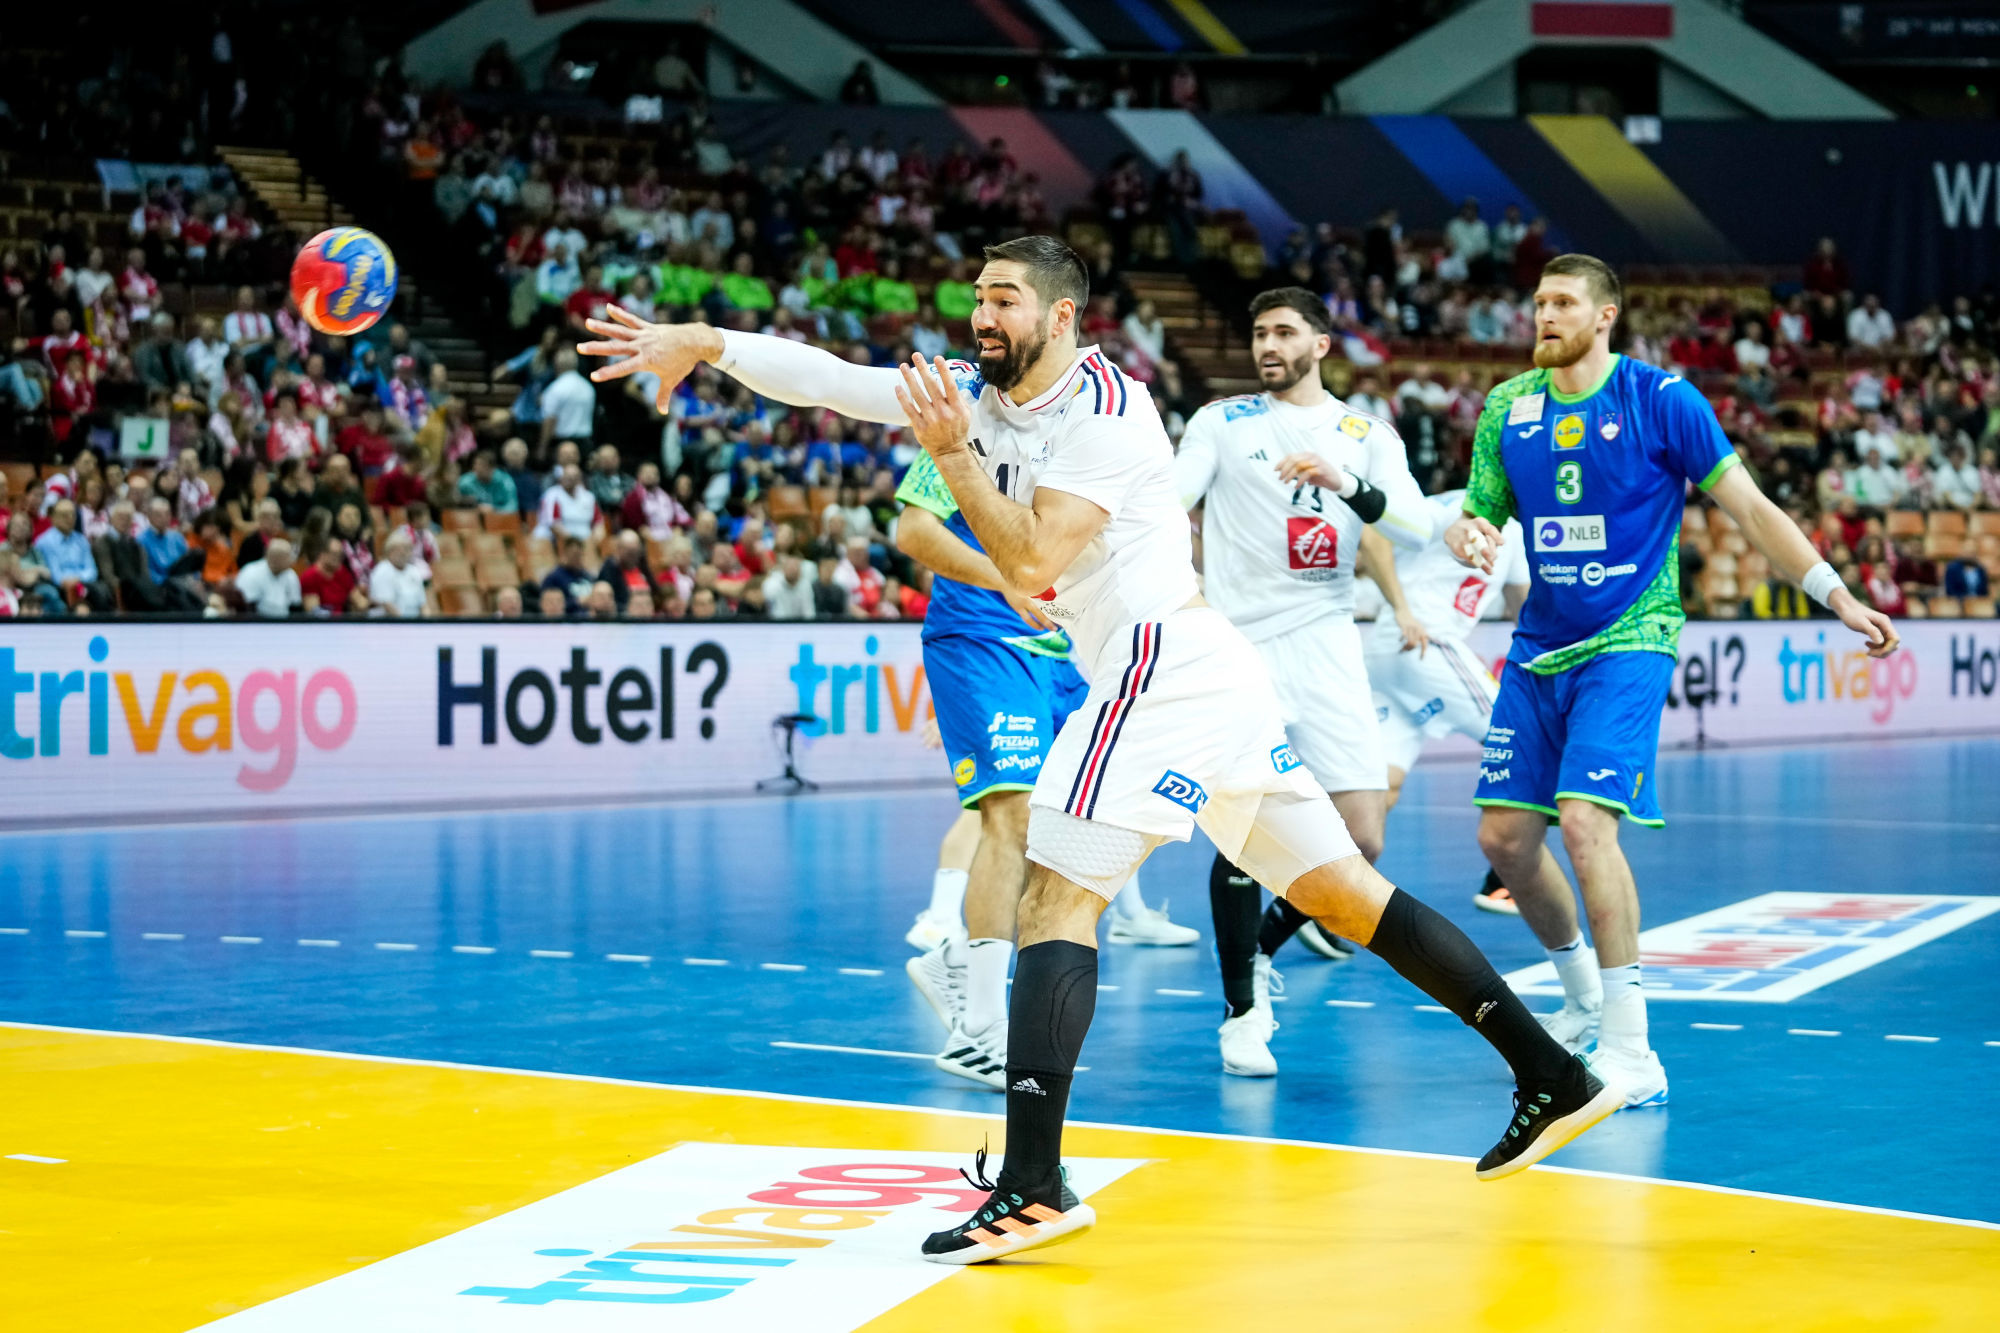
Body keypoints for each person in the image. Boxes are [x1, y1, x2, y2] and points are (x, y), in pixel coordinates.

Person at [582, 236, 1621, 1264]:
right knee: (1345, 894)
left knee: (1054, 897)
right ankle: (1553, 1074)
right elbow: (832, 380)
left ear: (1060, 316)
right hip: (1204, 674)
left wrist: (950, 457)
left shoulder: (1109, 410)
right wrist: (704, 340)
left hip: (1155, 665)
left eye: (1003, 299)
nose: (981, 316)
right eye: (977, 296)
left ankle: (1032, 1186)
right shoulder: (980, 393)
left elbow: (1030, 554)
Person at [1444, 253, 1900, 1111]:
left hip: (1632, 636)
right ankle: (1583, 997)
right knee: (1504, 841)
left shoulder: (1662, 400)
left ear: (1605, 315)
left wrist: (1837, 595)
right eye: (1538, 302)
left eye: (1563, 302)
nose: (1545, 315)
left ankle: (1632, 1049)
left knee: (1586, 823)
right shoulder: (1508, 406)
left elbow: (1752, 509)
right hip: (1539, 644)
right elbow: (1477, 515)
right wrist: (1466, 535)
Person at [1171, 286, 1433, 1077]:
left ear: (1320, 344)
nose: (1268, 345)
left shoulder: (1365, 434)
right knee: (1246, 826)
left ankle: (1258, 950)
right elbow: (1172, 500)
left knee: (1362, 836)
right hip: (1241, 648)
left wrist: (1346, 483)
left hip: (1328, 642)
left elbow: (1415, 526)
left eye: (1284, 332)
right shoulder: (1222, 422)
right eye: (1259, 333)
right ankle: (1242, 1009)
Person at [1360, 491, 1529, 911]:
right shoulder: (1453, 507)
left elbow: (1522, 606)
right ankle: (1502, 880)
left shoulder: (1517, 532)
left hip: (1390, 655)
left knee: (1381, 786)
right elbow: (1373, 533)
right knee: (1523, 743)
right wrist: (1402, 609)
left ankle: (1306, 902)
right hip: (1424, 643)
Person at [236, 538, 301, 618]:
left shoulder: (290, 575)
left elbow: (295, 606)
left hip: (284, 622)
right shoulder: (250, 572)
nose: (291, 561)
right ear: (271, 557)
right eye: (286, 557)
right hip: (257, 621)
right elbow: (247, 606)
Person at [369, 530, 429, 617]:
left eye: (408, 549)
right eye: (402, 549)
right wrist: (405, 623)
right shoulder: (382, 571)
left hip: (412, 622)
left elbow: (423, 605)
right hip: (389, 622)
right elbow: (388, 606)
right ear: (390, 551)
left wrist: (428, 622)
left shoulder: (414, 571)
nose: (405, 553)